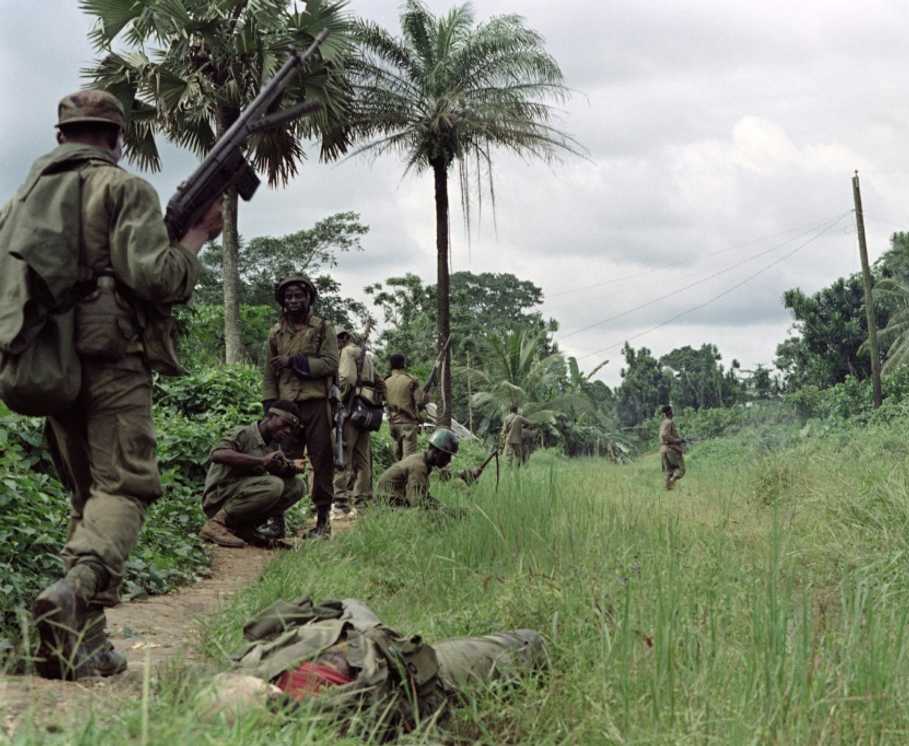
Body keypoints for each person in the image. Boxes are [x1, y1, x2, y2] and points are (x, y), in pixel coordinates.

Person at [10, 90, 223, 680]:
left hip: (48, 360)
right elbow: (156, 277)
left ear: (60, 136)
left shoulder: (19, 201)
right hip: (111, 357)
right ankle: (76, 589)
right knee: (125, 487)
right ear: (116, 139)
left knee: (89, 498)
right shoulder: (123, 188)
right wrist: (197, 236)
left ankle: (80, 645)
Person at [208, 597, 547, 740]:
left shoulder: (261, 661)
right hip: (418, 673)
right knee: (530, 643)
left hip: (367, 643)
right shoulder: (324, 712)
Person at [262, 274, 338, 538]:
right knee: (282, 461)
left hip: (315, 402)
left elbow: (330, 363)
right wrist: (269, 410)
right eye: (288, 296)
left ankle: (322, 521)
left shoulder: (322, 328)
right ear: (282, 301)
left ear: (308, 298)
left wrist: (295, 362)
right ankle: (277, 521)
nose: (293, 300)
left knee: (322, 459)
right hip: (285, 407)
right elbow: (269, 375)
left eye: (299, 295)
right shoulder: (275, 333)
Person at [198, 401, 307, 548]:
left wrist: (290, 467)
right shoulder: (244, 433)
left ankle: (245, 529)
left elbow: (272, 470)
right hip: (219, 497)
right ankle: (216, 523)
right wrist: (262, 461)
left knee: (297, 486)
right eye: (285, 424)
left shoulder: (273, 445)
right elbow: (217, 454)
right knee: (274, 485)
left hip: (241, 495)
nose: (288, 431)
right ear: (271, 416)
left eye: (291, 428)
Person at [332, 329, 384, 518]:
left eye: (337, 339)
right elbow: (380, 382)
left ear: (344, 338)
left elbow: (347, 379)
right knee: (363, 460)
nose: (335, 343)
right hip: (366, 412)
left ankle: (340, 501)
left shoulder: (347, 352)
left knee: (343, 455)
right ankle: (362, 502)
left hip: (350, 411)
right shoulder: (365, 356)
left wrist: (339, 401)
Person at [375, 429, 458, 508]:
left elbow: (423, 495)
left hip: (392, 501)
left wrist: (441, 506)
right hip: (388, 504)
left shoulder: (421, 460)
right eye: (447, 456)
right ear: (437, 452)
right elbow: (416, 502)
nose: (449, 460)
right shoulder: (419, 467)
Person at [384, 353, 429, 462]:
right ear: (403, 364)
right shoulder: (410, 380)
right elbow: (420, 401)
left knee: (398, 459)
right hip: (407, 425)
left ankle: (397, 478)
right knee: (408, 460)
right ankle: (406, 479)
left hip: (393, 425)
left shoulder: (386, 382)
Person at [659, 404, 686, 490]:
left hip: (663, 449)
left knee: (669, 471)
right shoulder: (669, 422)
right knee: (681, 470)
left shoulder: (663, 422)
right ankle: (671, 482)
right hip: (671, 449)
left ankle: (668, 489)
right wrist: (676, 440)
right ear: (670, 412)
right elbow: (664, 435)